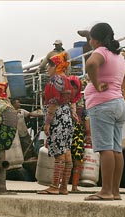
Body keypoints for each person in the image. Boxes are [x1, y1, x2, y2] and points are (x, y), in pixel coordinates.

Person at [84, 22, 125, 201]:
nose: (89, 42)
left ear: (95, 40)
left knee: (105, 149)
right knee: (116, 149)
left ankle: (105, 191)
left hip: (103, 105)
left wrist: (96, 84)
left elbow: (90, 65)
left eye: (90, 39)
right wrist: (118, 89)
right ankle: (115, 191)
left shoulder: (101, 52)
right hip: (118, 103)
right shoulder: (118, 55)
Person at [37, 53, 78, 195]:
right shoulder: (66, 79)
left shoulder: (56, 80)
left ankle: (54, 186)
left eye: (49, 65)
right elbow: (72, 99)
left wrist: (47, 123)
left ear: (56, 66)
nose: (47, 68)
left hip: (58, 117)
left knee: (59, 154)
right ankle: (64, 187)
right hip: (66, 117)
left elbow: (53, 102)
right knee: (66, 152)